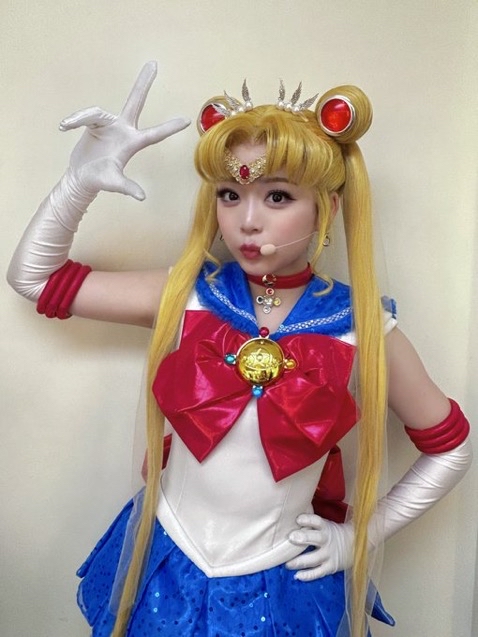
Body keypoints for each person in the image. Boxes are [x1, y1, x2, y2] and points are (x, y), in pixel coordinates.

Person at [7, 61, 472, 637]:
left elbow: (450, 448)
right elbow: (36, 279)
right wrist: (78, 181)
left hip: (281, 581)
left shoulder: (362, 328)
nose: (247, 221)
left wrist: (358, 538)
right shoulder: (186, 294)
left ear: (326, 208)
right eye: (230, 194)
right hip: (166, 560)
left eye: (277, 197)